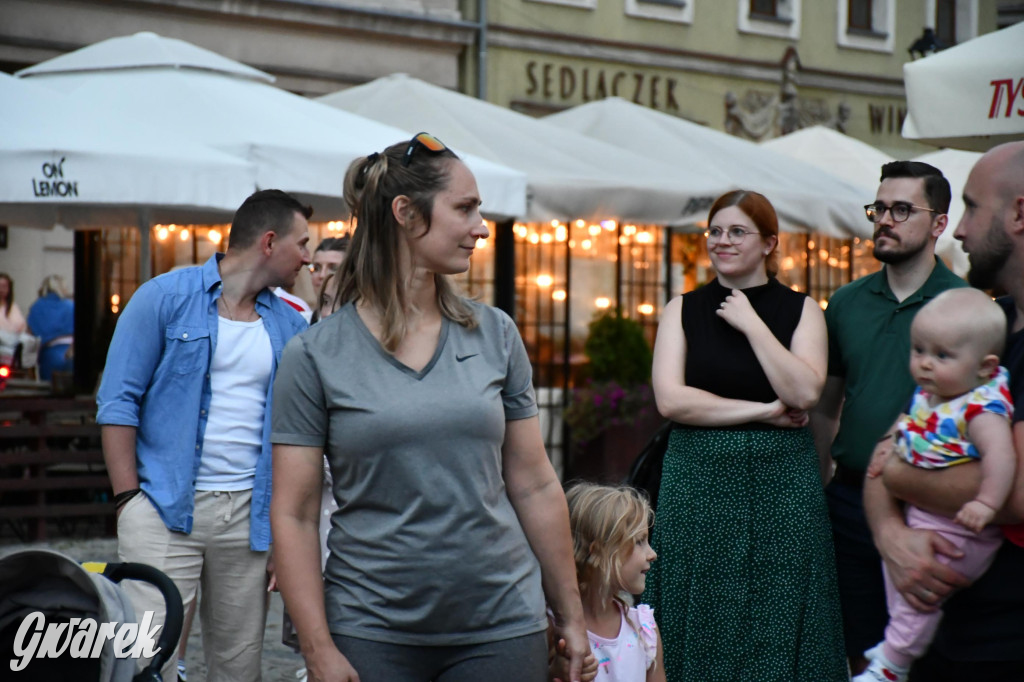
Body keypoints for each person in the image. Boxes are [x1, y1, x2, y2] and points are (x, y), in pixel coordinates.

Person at [270, 133, 591, 682]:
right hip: (370, 629)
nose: (482, 227)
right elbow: (295, 515)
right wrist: (319, 648)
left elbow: (535, 484)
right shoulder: (315, 354)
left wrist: (572, 616)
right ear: (405, 214)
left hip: (501, 625)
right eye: (465, 208)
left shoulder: (496, 334)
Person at [96, 189, 311, 682]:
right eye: (301, 244)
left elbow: (297, 435)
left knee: (238, 668)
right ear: (269, 241)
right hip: (164, 507)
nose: (306, 257)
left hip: (249, 518)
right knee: (148, 662)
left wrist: (283, 529)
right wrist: (129, 498)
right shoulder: (164, 297)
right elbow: (117, 401)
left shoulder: (292, 326)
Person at [641, 189, 846, 681]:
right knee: (700, 605)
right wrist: (763, 411)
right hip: (699, 482)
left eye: (737, 231)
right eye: (715, 231)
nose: (721, 241)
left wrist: (752, 324)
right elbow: (671, 400)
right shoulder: (682, 310)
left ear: (770, 243)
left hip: (783, 488)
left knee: (782, 605)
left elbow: (804, 390)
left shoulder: (803, 311)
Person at [866, 141, 1024, 681]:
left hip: (1008, 641)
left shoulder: (977, 344)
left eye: (972, 207)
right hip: (947, 633)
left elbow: (1017, 492)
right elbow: (888, 442)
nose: (957, 230)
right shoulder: (981, 325)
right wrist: (890, 534)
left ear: (1019, 214)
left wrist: (895, 472)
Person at [809, 160, 964, 674]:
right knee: (857, 650)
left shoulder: (963, 305)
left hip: (934, 503)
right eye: (880, 208)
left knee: (928, 648)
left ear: (939, 223)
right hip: (850, 500)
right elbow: (826, 407)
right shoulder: (848, 302)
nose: (885, 220)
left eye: (903, 209)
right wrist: (821, 483)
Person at [853, 289, 1014, 682]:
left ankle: (894, 664)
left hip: (961, 531)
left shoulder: (979, 408)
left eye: (941, 356)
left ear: (985, 366)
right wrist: (889, 449)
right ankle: (896, 643)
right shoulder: (932, 393)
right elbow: (906, 425)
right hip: (924, 515)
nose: (925, 364)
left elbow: (1002, 458)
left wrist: (987, 504)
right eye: (919, 350)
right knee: (899, 579)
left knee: (920, 597)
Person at [563, 483, 665, 682]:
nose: (652, 554)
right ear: (598, 552)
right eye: (639, 541)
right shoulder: (556, 629)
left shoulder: (645, 631)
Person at [26, 274, 74, 380]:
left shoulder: (37, 306)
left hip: (48, 352)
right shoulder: (70, 306)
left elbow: (30, 332)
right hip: (71, 350)